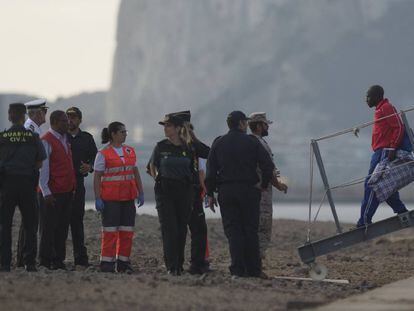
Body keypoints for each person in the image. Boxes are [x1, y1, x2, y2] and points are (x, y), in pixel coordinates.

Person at [205, 111, 274, 278]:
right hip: (249, 191)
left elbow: (211, 170)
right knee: (250, 230)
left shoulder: (219, 142)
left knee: (233, 231)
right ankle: (254, 270)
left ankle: (237, 269)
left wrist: (210, 193)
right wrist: (263, 185)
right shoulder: (251, 141)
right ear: (242, 124)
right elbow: (267, 165)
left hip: (226, 191)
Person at [148, 111, 209, 275]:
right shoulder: (161, 146)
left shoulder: (189, 146)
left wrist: (191, 135)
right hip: (165, 191)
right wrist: (157, 180)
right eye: (165, 126)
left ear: (177, 128)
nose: (165, 129)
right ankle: (171, 266)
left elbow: (207, 152)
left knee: (181, 228)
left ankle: (179, 264)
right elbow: (152, 166)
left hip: (185, 190)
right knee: (170, 229)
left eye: (168, 126)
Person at [357, 85, 412, 227]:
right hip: (380, 151)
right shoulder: (380, 109)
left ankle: (364, 221)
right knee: (386, 185)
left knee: (371, 184)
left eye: (368, 96)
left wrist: (393, 147)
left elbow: (399, 127)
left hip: (384, 151)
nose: (366, 99)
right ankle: (401, 211)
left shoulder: (386, 107)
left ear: (376, 96)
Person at [0, 103, 46, 272]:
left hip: (6, 185)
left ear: (10, 116)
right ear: (23, 116)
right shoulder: (32, 137)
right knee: (30, 225)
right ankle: (30, 263)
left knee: (5, 225)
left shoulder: (3, 137)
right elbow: (40, 162)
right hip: (27, 184)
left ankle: (5, 263)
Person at [93, 122, 144, 273]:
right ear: (113, 134)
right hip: (110, 199)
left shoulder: (130, 151)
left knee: (127, 232)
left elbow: (135, 173)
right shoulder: (103, 154)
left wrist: (140, 192)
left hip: (128, 198)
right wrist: (97, 197)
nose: (125, 134)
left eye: (125, 131)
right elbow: (97, 177)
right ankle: (107, 264)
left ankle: (123, 263)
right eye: (122, 132)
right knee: (110, 232)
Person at [39, 110, 76, 270]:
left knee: (62, 228)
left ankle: (58, 260)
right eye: (64, 121)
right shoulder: (47, 140)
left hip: (66, 191)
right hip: (52, 193)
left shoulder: (65, 139)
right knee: (48, 228)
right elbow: (43, 170)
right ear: (54, 122)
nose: (67, 123)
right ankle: (45, 261)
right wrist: (46, 192)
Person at [248, 112, 288, 260]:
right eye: (265, 125)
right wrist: (279, 185)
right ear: (258, 126)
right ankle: (256, 262)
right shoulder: (261, 144)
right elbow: (268, 168)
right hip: (262, 194)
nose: (267, 128)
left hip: (248, 193)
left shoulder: (246, 142)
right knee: (262, 229)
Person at [16, 98, 48, 267]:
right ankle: (26, 260)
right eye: (44, 111)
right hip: (28, 182)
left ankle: (23, 258)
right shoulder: (30, 130)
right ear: (36, 113)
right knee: (30, 222)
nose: (45, 115)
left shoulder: (33, 128)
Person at [66, 107, 98, 267]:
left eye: (73, 117)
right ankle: (57, 258)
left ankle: (80, 258)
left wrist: (89, 167)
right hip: (60, 185)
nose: (70, 120)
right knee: (59, 223)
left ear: (80, 120)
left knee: (77, 221)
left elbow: (96, 158)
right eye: (68, 117)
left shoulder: (87, 138)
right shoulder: (60, 137)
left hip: (78, 184)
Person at [187, 123, 211, 275]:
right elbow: (202, 174)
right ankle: (201, 260)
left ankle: (199, 260)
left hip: (192, 192)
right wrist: (207, 192)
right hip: (195, 193)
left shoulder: (193, 149)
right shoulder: (195, 149)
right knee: (199, 230)